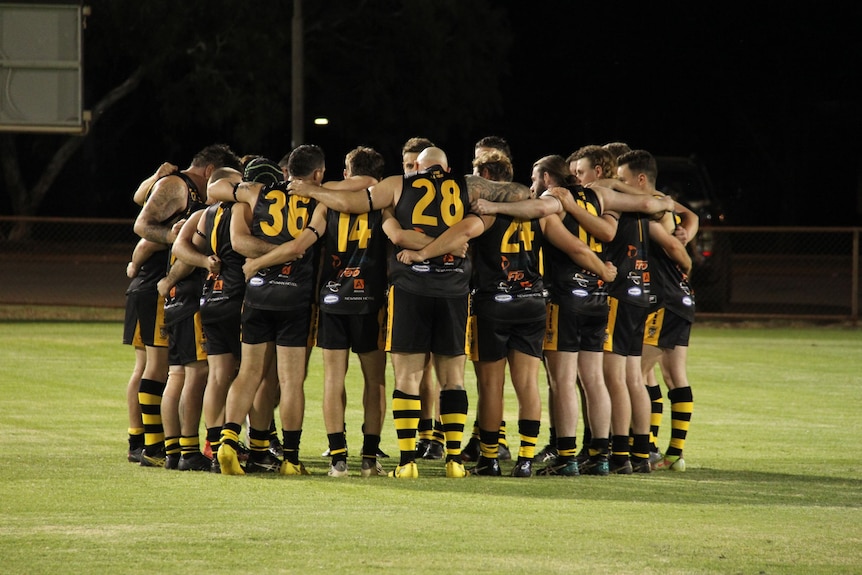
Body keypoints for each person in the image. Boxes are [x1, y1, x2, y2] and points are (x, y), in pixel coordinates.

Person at [287, 146, 531, 478]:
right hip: (454, 291)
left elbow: (352, 203)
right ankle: (455, 461)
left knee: (408, 378)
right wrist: (488, 209)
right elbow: (521, 192)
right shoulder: (468, 185)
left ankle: (406, 462)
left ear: (416, 166)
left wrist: (311, 189)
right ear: (446, 168)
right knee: (453, 379)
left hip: (408, 289)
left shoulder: (398, 184)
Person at [405, 150, 615, 478]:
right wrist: (604, 269)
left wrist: (422, 253)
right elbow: (575, 246)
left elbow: (459, 235)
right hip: (532, 303)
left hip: (493, 304)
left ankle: (489, 458)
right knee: (528, 384)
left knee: (491, 386)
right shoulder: (538, 212)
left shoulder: (486, 212)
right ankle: (526, 459)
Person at [243, 146, 390, 478]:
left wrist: (257, 263)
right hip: (369, 302)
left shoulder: (324, 203)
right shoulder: (383, 202)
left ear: (347, 171)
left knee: (332, 380)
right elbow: (371, 191)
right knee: (375, 382)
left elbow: (298, 246)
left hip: (333, 299)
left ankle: (338, 459)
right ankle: (369, 458)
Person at [208, 144, 324, 476]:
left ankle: (228, 441)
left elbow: (215, 187)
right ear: (316, 174)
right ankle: (289, 457)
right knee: (290, 381)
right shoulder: (319, 200)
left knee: (248, 374)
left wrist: (257, 263)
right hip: (294, 299)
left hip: (257, 295)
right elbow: (300, 248)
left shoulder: (256, 193)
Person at [132, 144, 241, 468]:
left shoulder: (193, 214)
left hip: (175, 294)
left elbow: (150, 241)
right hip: (190, 296)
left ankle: (172, 449)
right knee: (195, 373)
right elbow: (149, 231)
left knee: (177, 373)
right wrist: (206, 262)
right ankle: (189, 450)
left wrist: (149, 271)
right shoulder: (205, 211)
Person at [616, 150, 698, 472]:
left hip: (665, 298)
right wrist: (688, 230)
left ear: (639, 180)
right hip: (676, 298)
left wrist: (686, 261)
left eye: (622, 180)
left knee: (631, 376)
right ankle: (671, 452)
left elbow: (676, 248)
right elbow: (692, 216)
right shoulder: (663, 201)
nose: (619, 186)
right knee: (667, 374)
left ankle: (643, 447)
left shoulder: (651, 207)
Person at [122, 162, 175, 463]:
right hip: (152, 290)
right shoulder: (171, 215)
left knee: (142, 368)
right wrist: (135, 263)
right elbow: (145, 243)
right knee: (158, 368)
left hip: (140, 288)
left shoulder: (154, 199)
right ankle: (151, 443)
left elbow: (138, 196)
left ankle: (136, 440)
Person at [398, 136, 447, 460]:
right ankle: (426, 434)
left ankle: (437, 436)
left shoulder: (442, 198)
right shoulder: (401, 194)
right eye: (407, 166)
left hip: (440, 288)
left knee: (439, 369)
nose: (413, 172)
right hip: (412, 289)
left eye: (417, 166)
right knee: (419, 370)